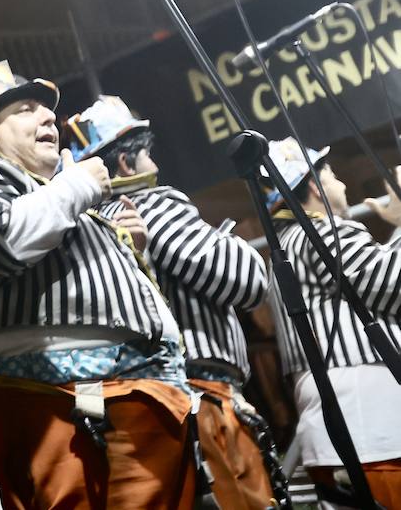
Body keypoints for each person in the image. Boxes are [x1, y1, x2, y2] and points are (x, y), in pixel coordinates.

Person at [0, 62, 197, 509]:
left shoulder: (53, 193)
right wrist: (78, 185)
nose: (48, 117)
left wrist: (133, 250)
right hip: (73, 402)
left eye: (46, 110)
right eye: (26, 110)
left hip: (119, 399)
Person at [68, 95, 283, 509]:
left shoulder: (90, 222)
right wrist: (229, 241)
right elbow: (248, 280)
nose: (156, 166)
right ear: (127, 163)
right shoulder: (153, 205)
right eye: (148, 155)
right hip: (201, 399)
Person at [263, 139, 401, 506]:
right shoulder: (323, 231)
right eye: (334, 176)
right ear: (314, 186)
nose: (341, 186)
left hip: (334, 428)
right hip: (372, 423)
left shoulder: (286, 245)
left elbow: (371, 286)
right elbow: (394, 285)